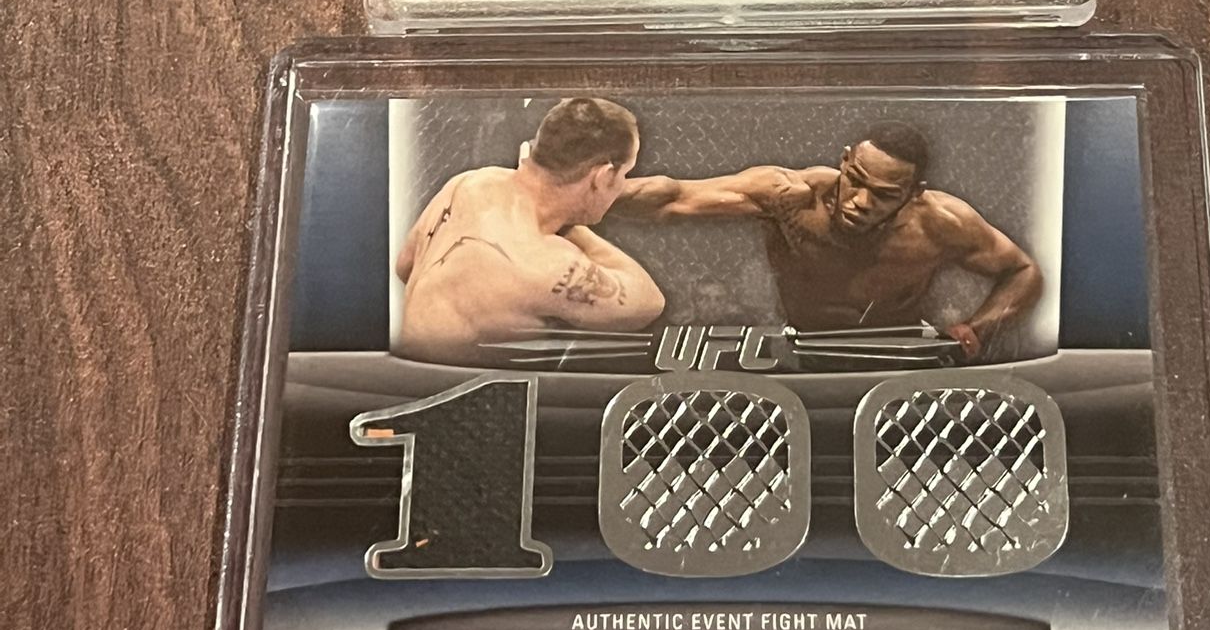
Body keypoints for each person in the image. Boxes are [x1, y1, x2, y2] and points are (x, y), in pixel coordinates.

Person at [613, 122, 1040, 360]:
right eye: (855, 181)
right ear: (845, 160)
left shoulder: (942, 223)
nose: (860, 202)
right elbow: (673, 197)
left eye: (883, 195)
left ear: (914, 193)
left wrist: (975, 330)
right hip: (804, 347)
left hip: (900, 351)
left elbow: (1022, 271)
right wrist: (588, 190)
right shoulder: (790, 196)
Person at [395, 97, 665, 362]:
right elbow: (649, 302)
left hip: (407, 374)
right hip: (462, 387)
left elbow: (405, 265)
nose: (622, 185)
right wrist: (572, 227)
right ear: (603, 176)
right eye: (624, 174)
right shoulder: (548, 265)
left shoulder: (470, 182)